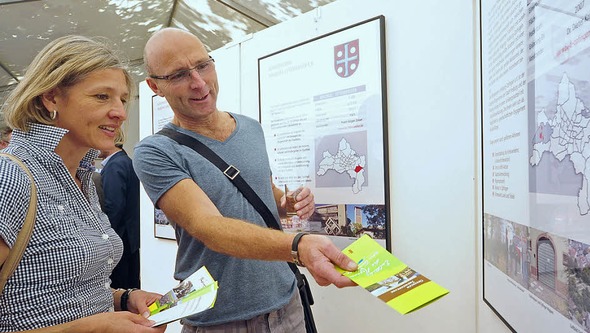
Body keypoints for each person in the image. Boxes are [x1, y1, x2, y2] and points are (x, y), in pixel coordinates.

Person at [134, 27, 357, 332]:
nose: (199, 83)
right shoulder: (156, 151)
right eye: (178, 75)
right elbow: (210, 228)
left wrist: (287, 203)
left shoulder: (251, 128)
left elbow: (266, 193)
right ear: (154, 86)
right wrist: (298, 245)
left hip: (287, 304)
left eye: (203, 66)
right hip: (220, 319)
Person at [0, 35, 165, 332]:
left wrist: (125, 299)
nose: (120, 112)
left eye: (122, 99)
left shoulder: (83, 177)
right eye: (102, 96)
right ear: (51, 97)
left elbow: (61, 293)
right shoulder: (9, 178)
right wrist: (90, 328)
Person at [99, 128, 141, 289]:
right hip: (129, 238)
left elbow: (113, 207)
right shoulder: (125, 161)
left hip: (120, 237)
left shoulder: (115, 166)